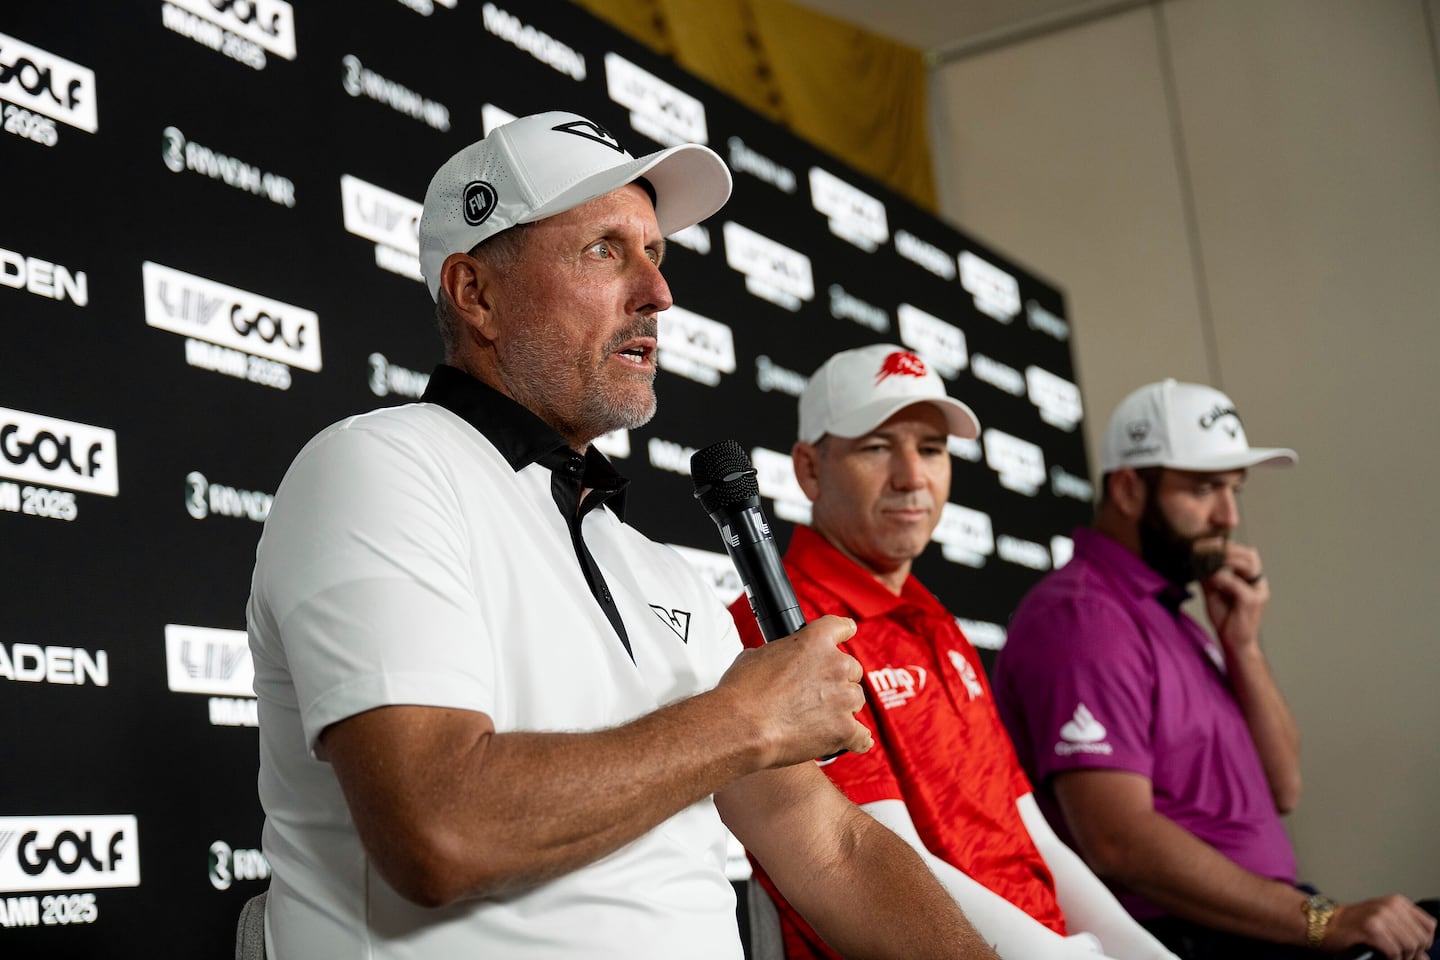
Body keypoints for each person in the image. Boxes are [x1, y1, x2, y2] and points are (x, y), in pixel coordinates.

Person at [245, 111, 998, 959]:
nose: (658, 293)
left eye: (656, 254)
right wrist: (744, 717)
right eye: (605, 249)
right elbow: (439, 828)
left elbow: (832, 846)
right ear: (475, 294)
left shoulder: (657, 571)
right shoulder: (379, 469)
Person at [728, 344, 1181, 960]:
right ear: (809, 469)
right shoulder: (779, 627)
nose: (913, 476)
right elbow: (870, 860)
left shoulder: (935, 620)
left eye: (932, 449)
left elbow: (1033, 834)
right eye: (876, 446)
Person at [992, 379, 1438, 960]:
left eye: (1233, 488)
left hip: (1267, 922)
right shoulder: (1085, 615)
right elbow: (1117, 841)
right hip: (1183, 937)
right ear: (1128, 490)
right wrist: (1324, 921)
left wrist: (1243, 646)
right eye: (1203, 488)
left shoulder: (1172, 614)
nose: (1227, 514)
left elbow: (1284, 787)